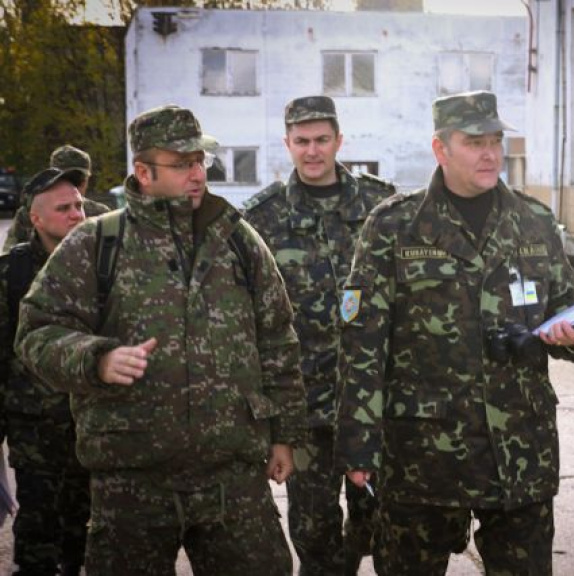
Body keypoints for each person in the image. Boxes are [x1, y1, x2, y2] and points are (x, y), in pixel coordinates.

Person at [14, 104, 307, 576]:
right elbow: (37, 333)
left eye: (200, 161)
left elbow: (277, 339)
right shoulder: (98, 242)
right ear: (144, 172)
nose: (197, 174)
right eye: (181, 163)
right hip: (132, 479)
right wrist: (97, 359)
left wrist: (285, 435)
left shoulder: (236, 239)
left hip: (231, 477)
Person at [334, 90, 574, 575]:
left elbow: (567, 313)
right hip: (423, 452)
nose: (490, 153)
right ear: (441, 148)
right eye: (475, 142)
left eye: (496, 141)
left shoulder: (534, 221)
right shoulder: (394, 225)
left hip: (518, 446)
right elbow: (363, 344)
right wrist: (358, 443)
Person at [244, 95, 392, 575]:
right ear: (287, 143)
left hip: (374, 404)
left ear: (339, 141)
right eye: (302, 141)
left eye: (322, 139)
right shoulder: (261, 218)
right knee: (313, 532)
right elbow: (249, 320)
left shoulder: (381, 206)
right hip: (304, 408)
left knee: (383, 523)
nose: (312, 151)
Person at [0, 167, 90, 575]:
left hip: (94, 426)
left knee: (87, 537)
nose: (76, 215)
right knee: (38, 535)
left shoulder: (106, 267)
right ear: (35, 218)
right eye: (63, 208)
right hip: (35, 431)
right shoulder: (12, 273)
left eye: (79, 205)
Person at [2, 145, 110, 253]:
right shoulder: (28, 213)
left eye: (80, 180)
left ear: (87, 181)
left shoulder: (102, 215)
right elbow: (9, 253)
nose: (72, 185)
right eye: (63, 178)